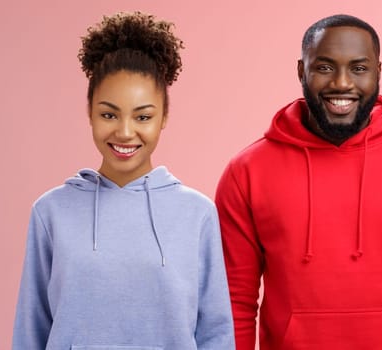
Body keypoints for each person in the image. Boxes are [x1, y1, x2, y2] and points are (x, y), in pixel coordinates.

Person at [216, 14, 382, 349]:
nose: (342, 83)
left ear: (378, 72)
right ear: (301, 71)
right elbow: (234, 301)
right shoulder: (247, 171)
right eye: (324, 67)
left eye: (358, 68)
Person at [12, 11, 234, 350]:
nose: (125, 132)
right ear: (89, 112)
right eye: (108, 114)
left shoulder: (197, 214)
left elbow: (215, 334)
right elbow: (31, 330)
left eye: (143, 116)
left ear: (164, 117)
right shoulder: (51, 212)